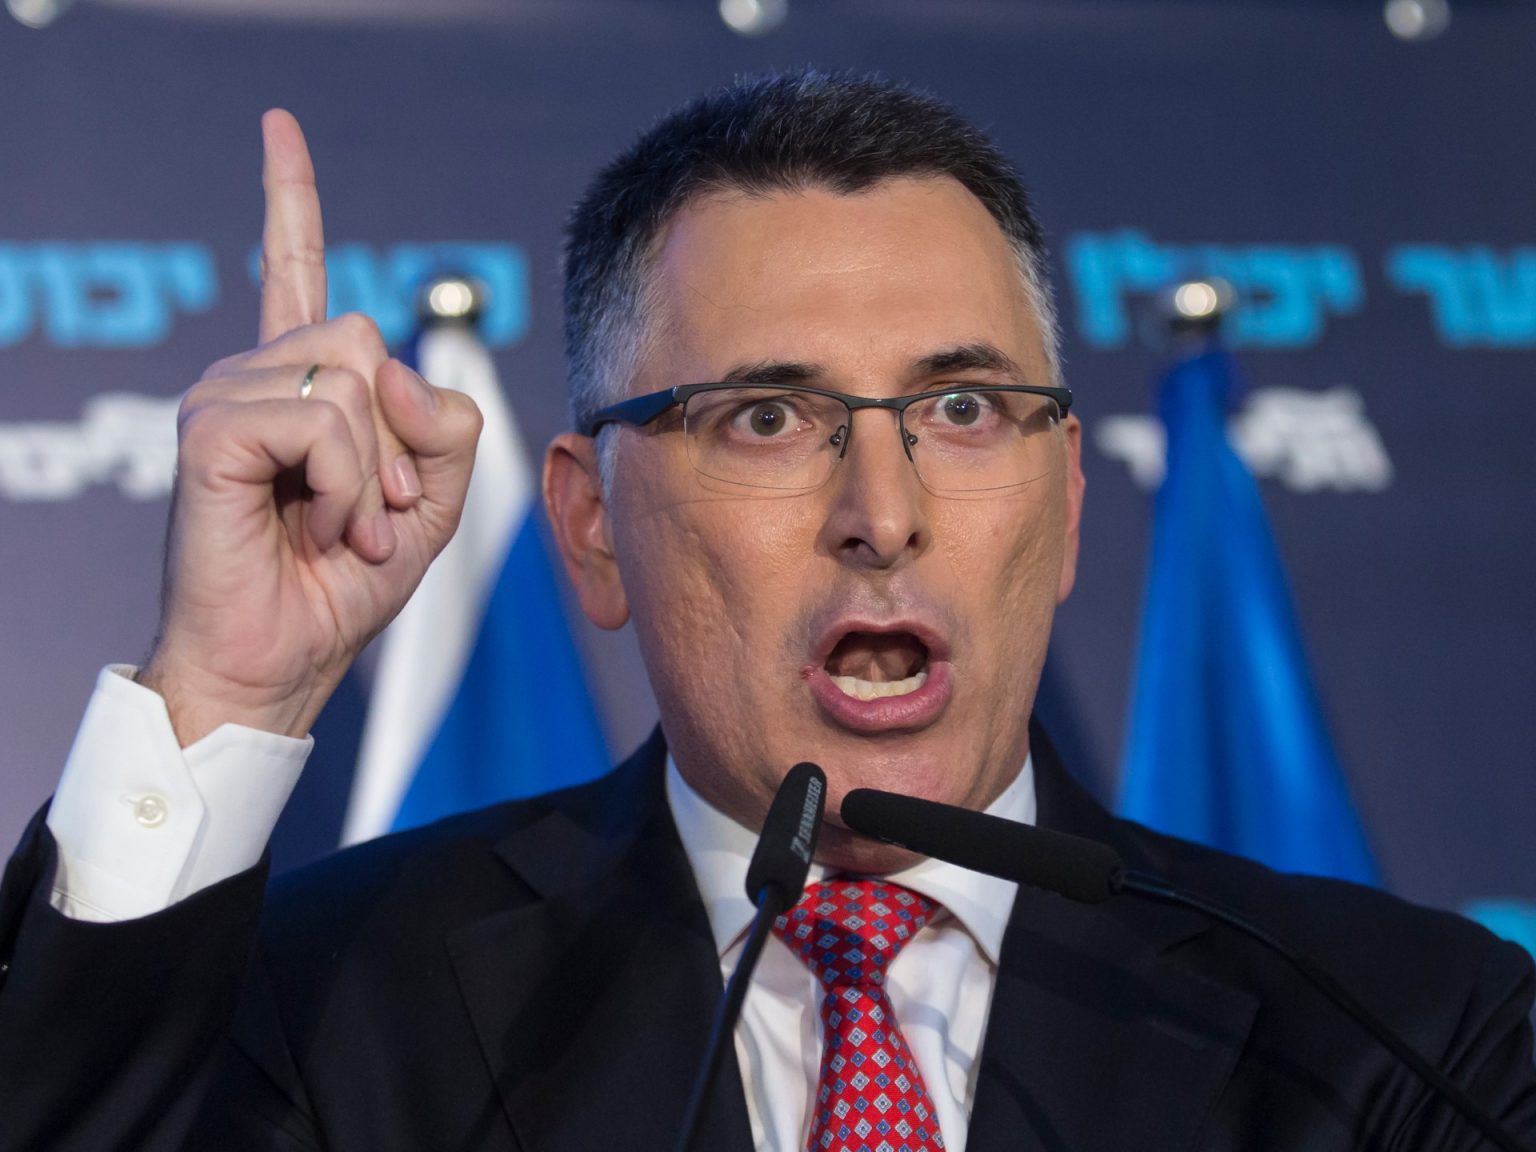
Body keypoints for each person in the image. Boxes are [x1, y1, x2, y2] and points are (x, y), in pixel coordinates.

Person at [1, 70, 1532, 1152]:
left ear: (1070, 503)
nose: (884, 510)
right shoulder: (332, 1005)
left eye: (965, 408)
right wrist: (225, 690)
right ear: (591, 527)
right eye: (768, 418)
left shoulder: (1400, 1036)